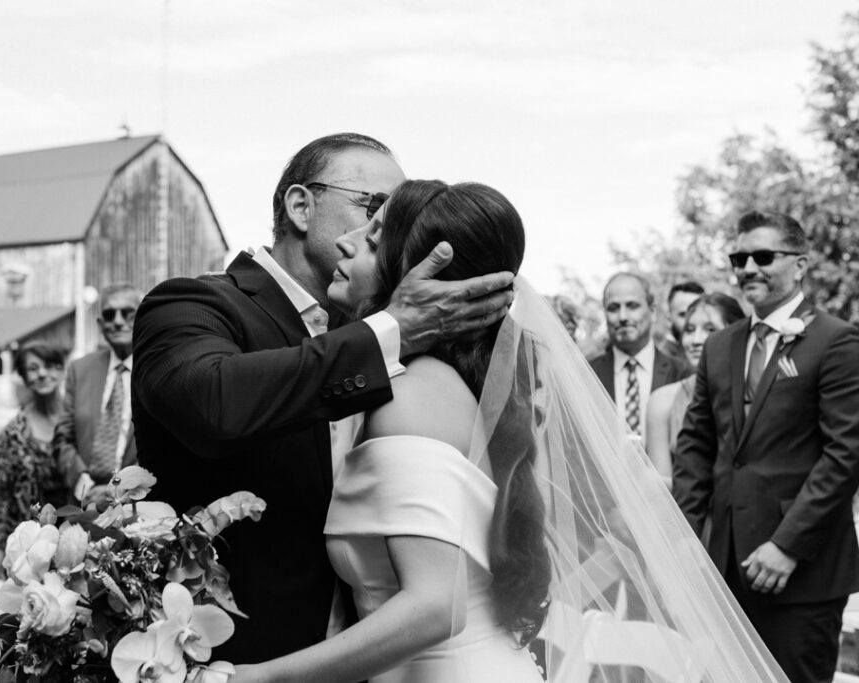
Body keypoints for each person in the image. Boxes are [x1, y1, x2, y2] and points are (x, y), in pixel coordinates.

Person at [230, 181, 789, 683]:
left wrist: (261, 679)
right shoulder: (451, 386)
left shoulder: (412, 394)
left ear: (417, 276)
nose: (348, 243)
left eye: (375, 241)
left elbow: (433, 607)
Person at [132, 134, 515, 663]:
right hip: (236, 658)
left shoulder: (412, 370)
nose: (391, 228)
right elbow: (211, 403)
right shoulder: (192, 303)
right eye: (375, 208)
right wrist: (388, 332)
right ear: (300, 206)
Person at [674, 210, 859, 683]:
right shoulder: (719, 347)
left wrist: (787, 546)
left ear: (799, 264)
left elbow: (845, 455)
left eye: (763, 256)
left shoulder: (836, 342)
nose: (748, 267)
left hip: (802, 575)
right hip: (724, 576)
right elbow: (696, 448)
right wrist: (686, 543)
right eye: (739, 257)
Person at [0, 341, 69, 583]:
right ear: (23, 376)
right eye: (33, 368)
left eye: (51, 366)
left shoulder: (79, 423)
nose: (43, 373)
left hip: (75, 543)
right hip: (27, 550)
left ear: (63, 371)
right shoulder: (14, 432)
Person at [53, 282, 142, 506]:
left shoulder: (158, 370)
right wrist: (85, 487)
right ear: (101, 324)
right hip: (83, 504)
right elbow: (63, 438)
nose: (118, 321)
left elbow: (166, 447)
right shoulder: (79, 370)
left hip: (138, 510)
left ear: (142, 318)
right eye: (110, 314)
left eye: (128, 313)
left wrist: (121, 489)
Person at [646, 293, 744, 486]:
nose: (696, 340)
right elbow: (660, 488)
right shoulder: (663, 401)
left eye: (710, 329)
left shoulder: (752, 394)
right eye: (689, 330)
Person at [589, 272, 690, 440]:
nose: (623, 317)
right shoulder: (587, 375)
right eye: (613, 308)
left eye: (632, 306)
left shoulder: (681, 375)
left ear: (653, 311)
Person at [658, 281, 705, 362]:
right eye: (684, 315)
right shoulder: (664, 361)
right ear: (669, 319)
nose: (691, 321)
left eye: (698, 314)